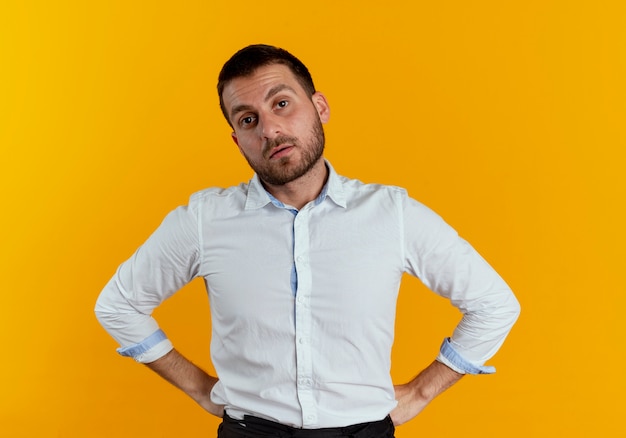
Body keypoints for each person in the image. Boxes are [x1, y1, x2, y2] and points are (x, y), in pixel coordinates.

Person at [95, 44, 520, 437]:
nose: (270, 129)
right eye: (248, 119)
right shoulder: (205, 220)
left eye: (282, 104)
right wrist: (200, 389)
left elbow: (494, 304)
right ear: (236, 139)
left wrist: (423, 391)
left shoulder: (392, 214)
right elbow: (118, 305)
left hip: (363, 430)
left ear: (319, 107)